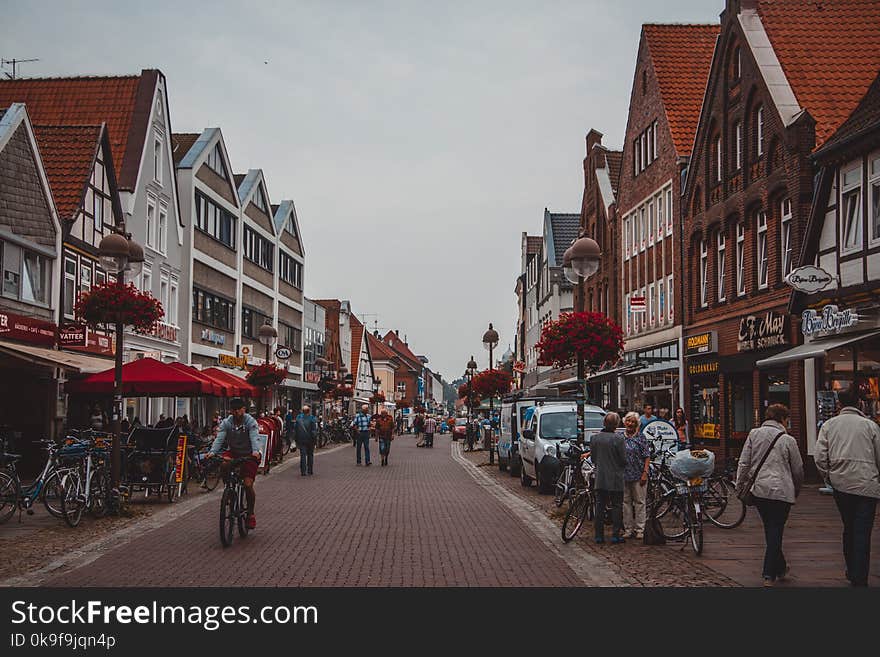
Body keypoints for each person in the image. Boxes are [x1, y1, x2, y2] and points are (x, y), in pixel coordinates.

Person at [814, 387, 880, 587]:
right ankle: (859, 575)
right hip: (867, 485)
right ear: (859, 404)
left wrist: (829, 477)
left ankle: (852, 569)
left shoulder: (829, 425)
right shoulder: (870, 426)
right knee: (863, 531)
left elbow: (819, 458)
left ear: (840, 405)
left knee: (849, 527)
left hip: (841, 485)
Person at [736, 403, 803, 586]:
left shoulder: (754, 434)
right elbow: (798, 469)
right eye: (787, 419)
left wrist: (739, 485)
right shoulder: (788, 440)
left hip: (760, 490)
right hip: (782, 492)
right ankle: (768, 574)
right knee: (776, 530)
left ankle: (780, 568)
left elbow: (744, 463)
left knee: (770, 529)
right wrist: (796, 489)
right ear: (782, 418)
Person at [207, 398, 262, 529]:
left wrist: (255, 451)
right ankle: (229, 489)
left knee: (248, 484)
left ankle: (250, 513)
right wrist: (212, 452)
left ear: (244, 409)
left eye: (239, 409)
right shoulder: (227, 423)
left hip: (249, 454)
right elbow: (220, 438)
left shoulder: (250, 422)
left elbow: (254, 437)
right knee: (224, 464)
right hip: (234, 452)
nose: (236, 412)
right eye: (234, 410)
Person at [591, 412, 627, 544]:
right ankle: (615, 535)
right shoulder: (619, 439)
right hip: (616, 478)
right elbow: (623, 460)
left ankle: (599, 535)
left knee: (600, 506)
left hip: (600, 477)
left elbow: (593, 458)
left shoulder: (595, 439)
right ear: (616, 425)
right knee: (617, 506)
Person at [621, 412, 650, 540]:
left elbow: (647, 456)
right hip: (623, 475)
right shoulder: (620, 437)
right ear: (624, 422)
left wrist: (645, 473)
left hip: (638, 474)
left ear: (637, 424)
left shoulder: (641, 437)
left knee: (640, 502)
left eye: (633, 422)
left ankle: (640, 529)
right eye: (628, 421)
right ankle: (628, 529)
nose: (630, 424)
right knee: (625, 502)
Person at [294, 405, 318, 476]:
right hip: (310, 440)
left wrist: (296, 439)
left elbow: (295, 430)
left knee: (303, 455)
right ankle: (310, 470)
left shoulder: (298, 419)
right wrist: (315, 440)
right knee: (310, 455)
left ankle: (303, 471)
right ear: (309, 411)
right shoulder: (312, 419)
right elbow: (314, 431)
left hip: (301, 440)